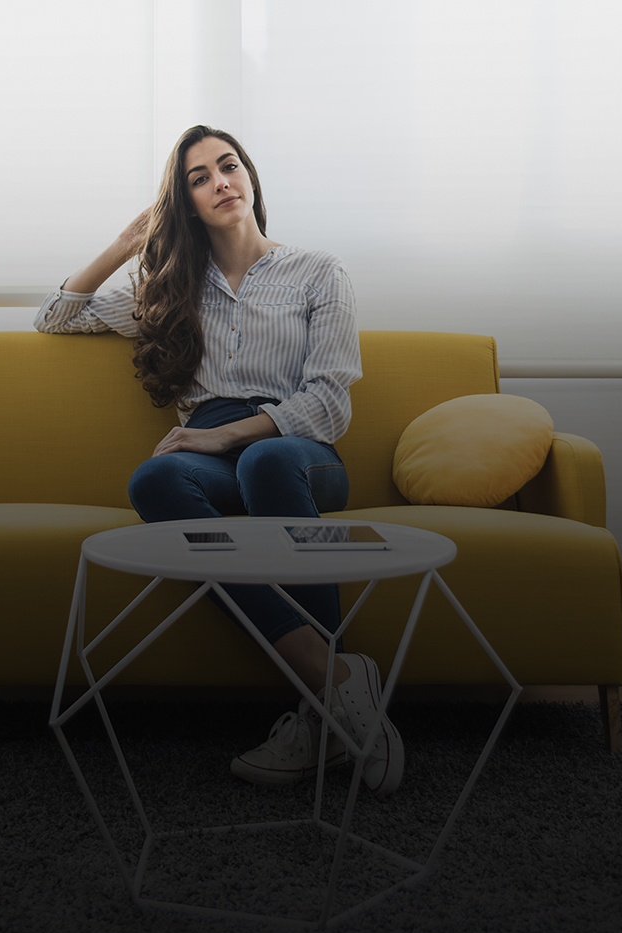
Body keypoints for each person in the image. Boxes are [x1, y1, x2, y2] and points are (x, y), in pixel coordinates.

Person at [33, 124, 404, 794]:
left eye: (227, 166)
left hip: (299, 451)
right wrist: (126, 243)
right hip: (206, 459)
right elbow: (56, 317)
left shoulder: (318, 271)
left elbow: (328, 402)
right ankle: (336, 682)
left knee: (266, 464)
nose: (219, 182)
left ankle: (322, 706)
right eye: (198, 178)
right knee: (156, 477)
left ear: (252, 177)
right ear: (187, 204)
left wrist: (227, 435)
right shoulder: (170, 288)